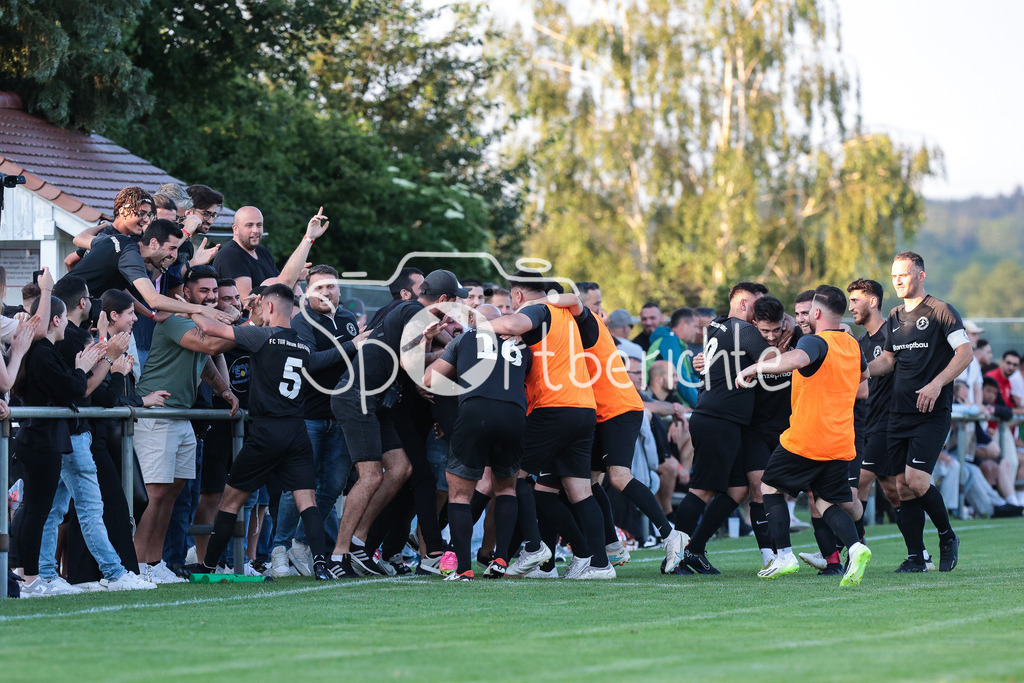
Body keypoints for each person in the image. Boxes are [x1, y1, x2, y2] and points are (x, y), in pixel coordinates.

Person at [184, 284, 339, 581]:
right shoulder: (304, 345)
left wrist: (189, 306)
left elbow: (207, 327)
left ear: (267, 307)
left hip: (266, 430)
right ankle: (320, 565)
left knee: (231, 500)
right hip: (297, 429)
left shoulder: (261, 335)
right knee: (307, 500)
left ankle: (209, 566)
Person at [738, 285, 872, 587]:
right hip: (840, 440)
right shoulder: (851, 344)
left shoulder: (815, 341)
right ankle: (855, 546)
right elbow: (863, 388)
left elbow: (797, 359)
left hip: (808, 436)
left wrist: (756, 367)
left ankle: (784, 556)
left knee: (769, 487)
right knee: (826, 503)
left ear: (817, 312)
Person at [488, 273, 614, 580]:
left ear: (517, 295)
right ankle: (597, 563)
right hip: (583, 408)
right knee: (578, 489)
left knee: (512, 473)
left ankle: (534, 548)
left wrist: (478, 326)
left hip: (554, 406)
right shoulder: (564, 314)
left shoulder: (535, 309)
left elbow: (513, 325)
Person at [131, 265, 239, 584]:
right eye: (202, 291)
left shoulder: (197, 320)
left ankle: (155, 562)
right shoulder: (175, 318)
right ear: (186, 293)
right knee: (156, 493)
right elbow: (208, 347)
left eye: (213, 291)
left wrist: (224, 390)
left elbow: (203, 360)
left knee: (172, 494)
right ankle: (137, 566)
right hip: (157, 415)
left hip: (181, 416)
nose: (210, 297)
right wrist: (246, 326)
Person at [866, 251, 972, 573]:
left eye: (904, 274)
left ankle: (947, 536)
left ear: (921, 275)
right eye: (894, 275)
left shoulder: (941, 311)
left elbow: (965, 353)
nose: (898, 280)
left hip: (931, 411)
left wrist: (937, 383)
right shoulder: (896, 315)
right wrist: (857, 372)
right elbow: (887, 360)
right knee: (900, 486)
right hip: (898, 414)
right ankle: (915, 557)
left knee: (916, 480)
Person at [424, 304, 531, 580]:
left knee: (460, 493)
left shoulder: (466, 338)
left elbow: (428, 378)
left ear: (473, 320)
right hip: (514, 413)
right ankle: (502, 559)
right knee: (506, 489)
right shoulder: (522, 345)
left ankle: (463, 568)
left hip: (475, 412)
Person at [669, 282, 768, 575]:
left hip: (723, 417)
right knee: (702, 489)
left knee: (737, 490)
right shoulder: (744, 330)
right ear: (741, 303)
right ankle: (674, 558)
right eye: (757, 305)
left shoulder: (717, 325)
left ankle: (695, 550)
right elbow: (773, 361)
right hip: (718, 418)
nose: (761, 312)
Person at [10, 296, 104, 596]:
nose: (66, 324)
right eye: (63, 318)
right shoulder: (42, 353)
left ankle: (23, 574)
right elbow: (72, 391)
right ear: (56, 320)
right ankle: (30, 577)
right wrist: (82, 367)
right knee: (36, 511)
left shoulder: (41, 352)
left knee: (32, 510)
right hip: (41, 440)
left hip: (37, 438)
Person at [69, 219, 234, 324]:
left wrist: (151, 315)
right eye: (171, 248)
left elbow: (80, 238)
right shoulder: (130, 255)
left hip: (72, 311)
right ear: (153, 243)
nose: (174, 255)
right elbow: (154, 299)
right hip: (66, 311)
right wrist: (200, 309)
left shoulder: (121, 240)